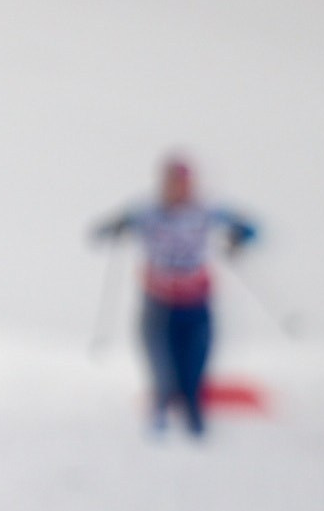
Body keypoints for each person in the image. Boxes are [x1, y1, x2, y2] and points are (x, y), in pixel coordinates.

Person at [92, 155, 259, 437]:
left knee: (194, 369)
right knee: (162, 369)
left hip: (196, 304)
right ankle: (159, 421)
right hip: (159, 303)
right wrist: (117, 227)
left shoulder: (208, 210)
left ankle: (196, 424)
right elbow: (100, 231)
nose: (179, 189)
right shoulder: (146, 211)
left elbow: (253, 229)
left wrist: (239, 237)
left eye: (183, 183)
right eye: (172, 183)